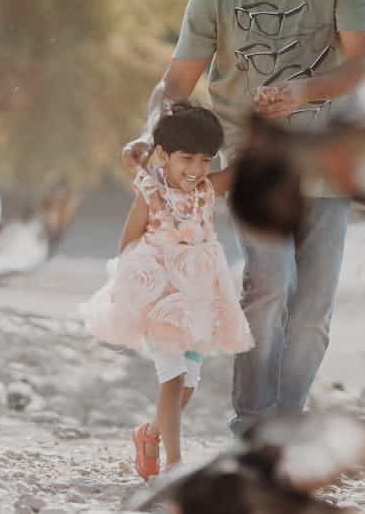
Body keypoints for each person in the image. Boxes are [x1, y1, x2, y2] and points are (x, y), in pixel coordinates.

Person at [120, 0, 365, 438]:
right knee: (270, 285)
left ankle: (285, 425)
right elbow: (176, 83)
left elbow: (362, 64)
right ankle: (252, 424)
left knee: (312, 314)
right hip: (253, 166)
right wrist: (151, 133)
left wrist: (303, 91)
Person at [82, 103, 254, 480]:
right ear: (164, 155)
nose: (196, 169)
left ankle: (148, 434)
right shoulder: (150, 193)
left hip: (198, 298)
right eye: (186, 159)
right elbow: (128, 242)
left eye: (205, 160)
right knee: (172, 379)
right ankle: (175, 467)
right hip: (159, 298)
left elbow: (244, 168)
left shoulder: (207, 189)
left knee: (188, 385)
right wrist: (133, 290)